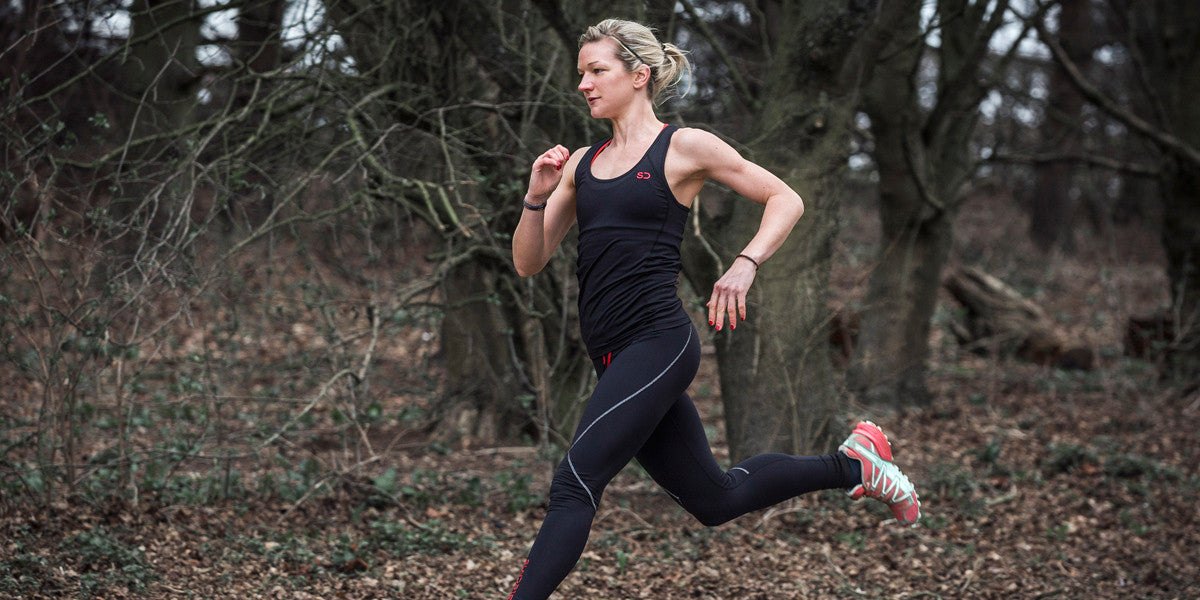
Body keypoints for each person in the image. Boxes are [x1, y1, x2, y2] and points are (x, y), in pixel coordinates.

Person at [505, 18, 920, 600]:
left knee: (577, 480)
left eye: (598, 71)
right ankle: (856, 465)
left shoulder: (684, 147)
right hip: (610, 353)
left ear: (639, 75)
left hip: (658, 342)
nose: (585, 85)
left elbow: (785, 197)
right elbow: (528, 261)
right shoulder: (580, 163)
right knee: (715, 499)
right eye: (582, 73)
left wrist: (745, 263)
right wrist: (535, 195)